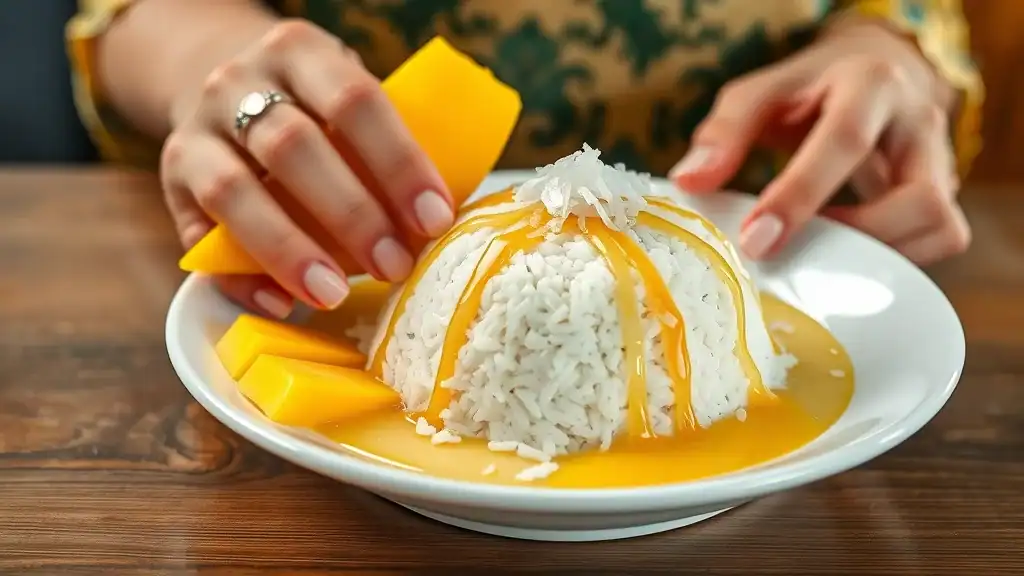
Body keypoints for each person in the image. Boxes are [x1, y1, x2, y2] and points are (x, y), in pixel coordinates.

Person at [67, 0, 982, 320]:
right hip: (368, 247)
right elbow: (127, 10)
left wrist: (893, 57)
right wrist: (217, 70)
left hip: (750, 238)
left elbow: (906, 6)